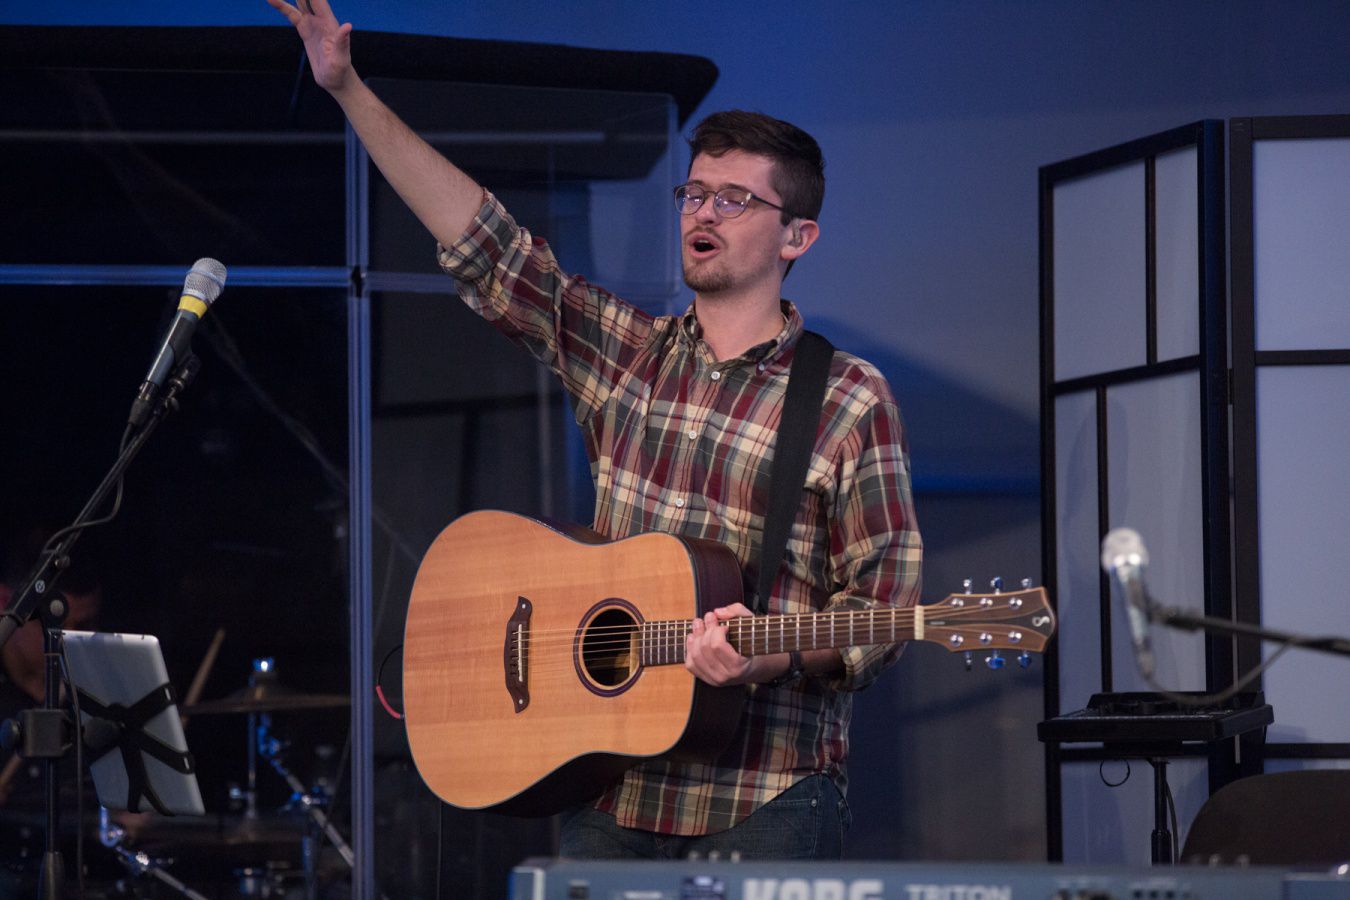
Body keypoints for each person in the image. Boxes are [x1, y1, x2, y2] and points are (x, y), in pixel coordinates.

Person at [269, 0, 922, 860]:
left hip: (769, 791)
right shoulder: (630, 354)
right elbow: (489, 249)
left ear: (797, 235)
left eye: (735, 199)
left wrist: (768, 658)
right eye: (696, 193)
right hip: (613, 780)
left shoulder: (847, 396)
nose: (705, 213)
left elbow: (886, 606)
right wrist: (348, 89)